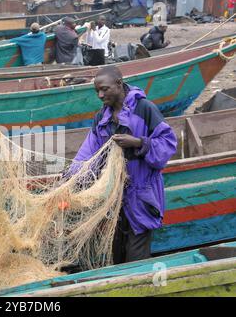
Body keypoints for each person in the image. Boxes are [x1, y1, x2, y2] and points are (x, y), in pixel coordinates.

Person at [70, 66, 177, 264]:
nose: (101, 95)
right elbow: (88, 153)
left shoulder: (145, 109)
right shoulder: (102, 118)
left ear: (119, 84)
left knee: (136, 259)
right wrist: (71, 176)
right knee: (117, 256)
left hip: (142, 198)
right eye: (97, 91)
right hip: (115, 199)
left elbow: (168, 144)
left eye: (105, 89)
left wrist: (138, 142)